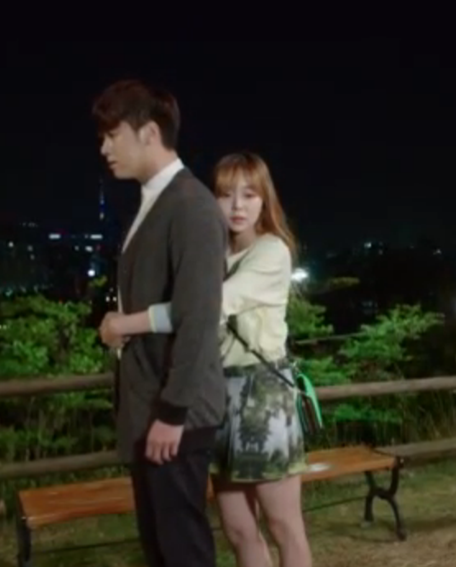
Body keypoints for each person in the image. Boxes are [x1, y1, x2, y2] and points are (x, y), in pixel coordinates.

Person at [101, 152, 313, 567]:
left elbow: (205, 307)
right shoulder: (211, 252)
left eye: (249, 195)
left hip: (262, 395)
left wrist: (125, 323)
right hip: (215, 393)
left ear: (265, 200)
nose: (237, 206)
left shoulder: (272, 252)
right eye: (225, 194)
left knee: (283, 523)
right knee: (238, 529)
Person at [93, 79, 228, 567]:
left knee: (181, 548)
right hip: (154, 408)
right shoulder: (156, 199)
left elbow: (199, 317)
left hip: (176, 414)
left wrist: (172, 413)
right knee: (161, 547)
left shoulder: (190, 204)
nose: (104, 148)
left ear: (149, 132)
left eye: (113, 135)